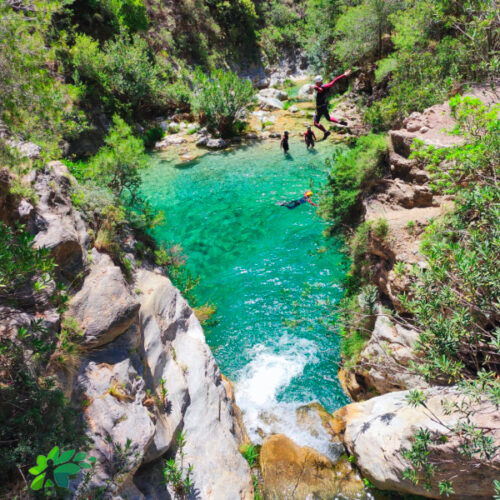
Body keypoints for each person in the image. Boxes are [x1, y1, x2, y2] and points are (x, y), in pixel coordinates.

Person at [313, 69, 351, 140]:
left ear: (318, 82)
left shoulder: (320, 88)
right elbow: (334, 81)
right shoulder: (326, 86)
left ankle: (326, 132)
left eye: (316, 83)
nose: (315, 84)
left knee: (315, 123)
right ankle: (339, 122)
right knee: (328, 118)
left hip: (319, 108)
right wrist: (343, 75)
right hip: (324, 106)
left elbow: (319, 90)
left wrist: (315, 88)